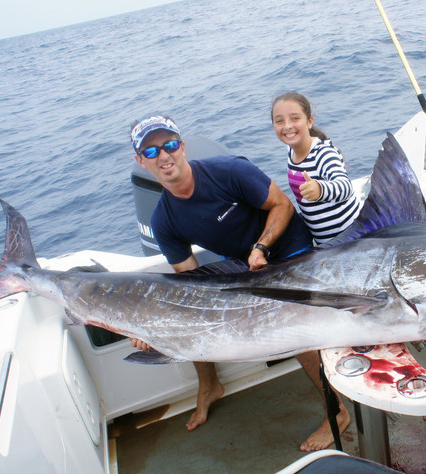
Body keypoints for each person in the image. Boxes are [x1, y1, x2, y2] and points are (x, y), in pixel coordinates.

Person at [129, 115, 350, 451]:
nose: (163, 156)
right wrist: (151, 329)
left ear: (182, 147)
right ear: (141, 161)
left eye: (170, 145)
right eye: (151, 151)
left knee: (292, 324)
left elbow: (282, 205)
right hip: (248, 269)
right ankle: (209, 385)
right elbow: (188, 286)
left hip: (291, 249)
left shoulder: (228, 171)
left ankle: (338, 412)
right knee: (191, 316)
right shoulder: (163, 220)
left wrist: (261, 248)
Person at [271, 92, 362, 244]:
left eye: (295, 118)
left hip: (351, 237)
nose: (287, 126)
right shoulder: (290, 152)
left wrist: (320, 189)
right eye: (279, 121)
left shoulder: (323, 153)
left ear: (309, 121)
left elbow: (345, 186)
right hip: (325, 243)